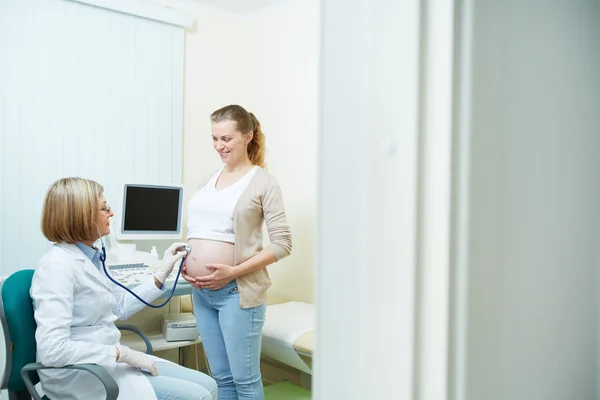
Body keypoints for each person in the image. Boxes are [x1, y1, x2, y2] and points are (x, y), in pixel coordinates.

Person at [31, 177, 218, 400]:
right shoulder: (57, 267)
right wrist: (122, 353)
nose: (110, 213)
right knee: (200, 396)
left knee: (209, 385)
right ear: (81, 216)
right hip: (82, 375)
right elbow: (53, 350)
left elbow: (118, 305)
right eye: (103, 208)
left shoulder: (92, 257)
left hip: (107, 360)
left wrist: (161, 274)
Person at [182, 104, 292, 400]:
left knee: (244, 380)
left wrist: (232, 272)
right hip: (202, 294)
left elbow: (282, 243)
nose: (220, 146)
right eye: (215, 139)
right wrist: (185, 257)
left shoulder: (263, 182)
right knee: (221, 378)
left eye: (226, 139)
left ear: (248, 136)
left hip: (237, 293)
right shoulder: (208, 179)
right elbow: (200, 229)